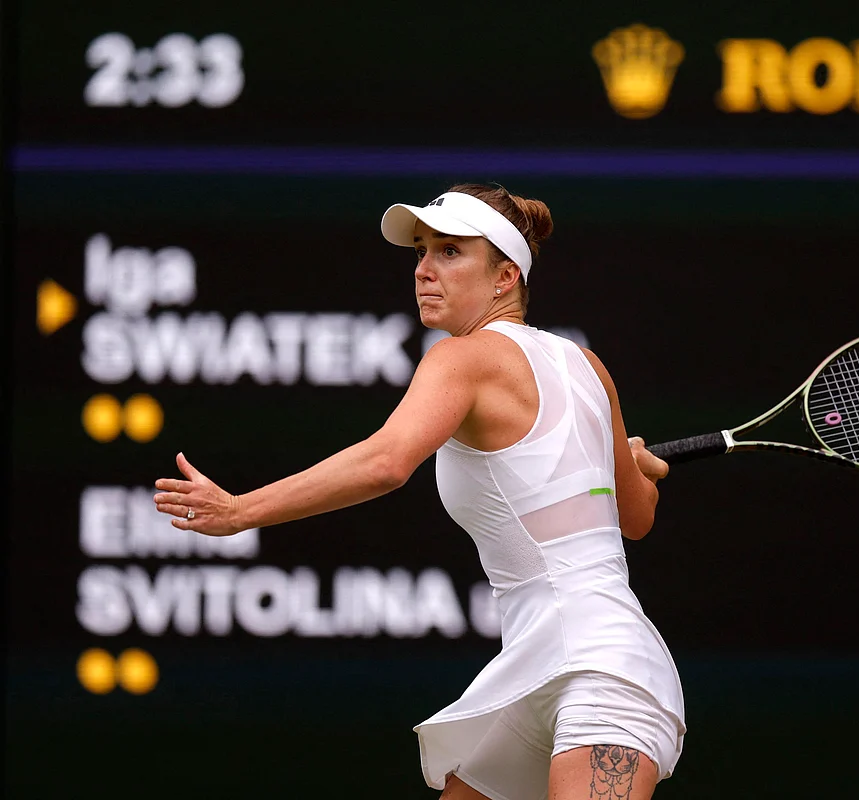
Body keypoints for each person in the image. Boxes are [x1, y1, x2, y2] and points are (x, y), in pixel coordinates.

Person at [153, 183, 686, 800]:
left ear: (505, 276)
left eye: (450, 252)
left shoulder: (460, 358)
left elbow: (386, 462)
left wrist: (240, 510)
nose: (424, 269)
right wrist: (639, 473)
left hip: (602, 671)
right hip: (541, 671)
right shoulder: (588, 366)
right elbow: (636, 517)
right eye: (421, 252)